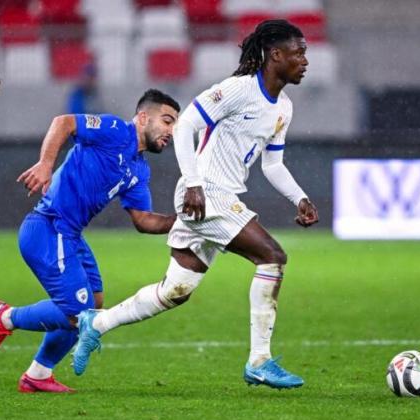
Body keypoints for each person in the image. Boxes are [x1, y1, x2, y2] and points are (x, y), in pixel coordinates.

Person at [73, 19, 319, 389]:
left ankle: (97, 322)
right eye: (299, 52)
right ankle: (260, 360)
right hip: (206, 194)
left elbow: (273, 163)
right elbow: (186, 124)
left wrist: (299, 196)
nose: (305, 59)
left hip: (217, 197)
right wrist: (193, 183)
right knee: (272, 256)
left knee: (175, 291)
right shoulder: (237, 89)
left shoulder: (283, 107)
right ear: (276, 54)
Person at [0, 89, 180, 393]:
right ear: (142, 118)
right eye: (167, 121)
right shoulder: (114, 130)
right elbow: (63, 122)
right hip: (48, 227)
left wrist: (184, 222)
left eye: (175, 125)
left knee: (94, 306)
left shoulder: (139, 169)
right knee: (79, 314)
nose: (172, 132)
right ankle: (5, 317)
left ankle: (38, 375)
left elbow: (144, 220)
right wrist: (45, 164)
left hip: (69, 234)